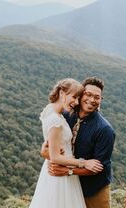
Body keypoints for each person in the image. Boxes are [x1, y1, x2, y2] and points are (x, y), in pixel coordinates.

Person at [29, 78, 103, 208]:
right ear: (62, 93)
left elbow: (52, 145)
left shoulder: (50, 110)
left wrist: (47, 150)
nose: (75, 102)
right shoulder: (55, 120)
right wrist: (84, 162)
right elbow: (56, 156)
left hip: (61, 169)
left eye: (77, 98)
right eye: (74, 97)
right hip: (60, 171)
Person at [42, 77, 116, 208]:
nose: (92, 100)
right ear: (80, 96)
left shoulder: (105, 130)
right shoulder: (66, 115)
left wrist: (67, 171)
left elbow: (98, 168)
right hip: (69, 184)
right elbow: (53, 145)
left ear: (101, 101)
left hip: (93, 189)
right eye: (88, 94)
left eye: (97, 97)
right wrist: (45, 152)